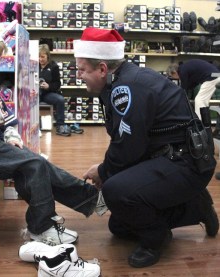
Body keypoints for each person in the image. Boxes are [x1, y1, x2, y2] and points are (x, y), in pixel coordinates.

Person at [0, 23, 107, 246]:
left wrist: (11, 135)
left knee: (37, 163)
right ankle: (42, 227)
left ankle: (89, 200)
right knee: (34, 165)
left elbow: (2, 114)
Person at [73, 27, 219, 268]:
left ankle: (156, 239)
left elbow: (128, 146)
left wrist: (103, 170)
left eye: (81, 69)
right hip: (173, 157)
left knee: (116, 192)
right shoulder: (123, 81)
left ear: (102, 69)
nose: (78, 75)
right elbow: (128, 141)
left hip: (185, 163)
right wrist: (108, 169)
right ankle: (195, 208)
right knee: (119, 225)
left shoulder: (127, 87)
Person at [166, 60, 220, 138]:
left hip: (212, 77)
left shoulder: (183, 71)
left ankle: (198, 125)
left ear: (174, 72)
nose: (174, 78)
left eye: (172, 76)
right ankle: (203, 123)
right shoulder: (185, 68)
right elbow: (192, 84)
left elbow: (184, 89)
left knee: (199, 100)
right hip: (214, 75)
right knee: (202, 100)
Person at [39, 44, 84, 136]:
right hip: (35, 93)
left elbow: (57, 84)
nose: (40, 59)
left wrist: (48, 86)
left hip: (48, 93)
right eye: (39, 57)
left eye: (42, 57)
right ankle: (34, 125)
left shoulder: (54, 66)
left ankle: (60, 125)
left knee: (60, 99)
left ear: (48, 55)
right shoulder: (34, 65)